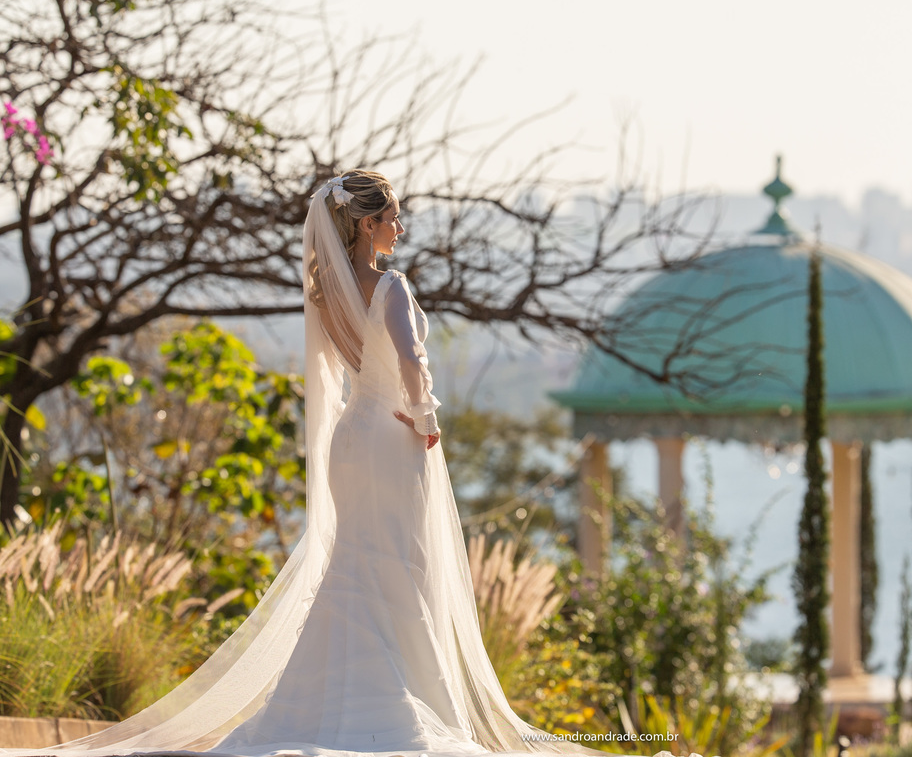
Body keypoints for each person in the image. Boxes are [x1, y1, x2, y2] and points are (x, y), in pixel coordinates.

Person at [4, 171, 692, 757]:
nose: (400, 226)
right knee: (400, 561)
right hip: (394, 435)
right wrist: (426, 420)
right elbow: (412, 360)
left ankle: (316, 707)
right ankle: (396, 709)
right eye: (392, 216)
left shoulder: (324, 291)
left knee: (354, 560)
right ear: (365, 224)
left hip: (350, 437)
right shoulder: (391, 287)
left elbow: (345, 368)